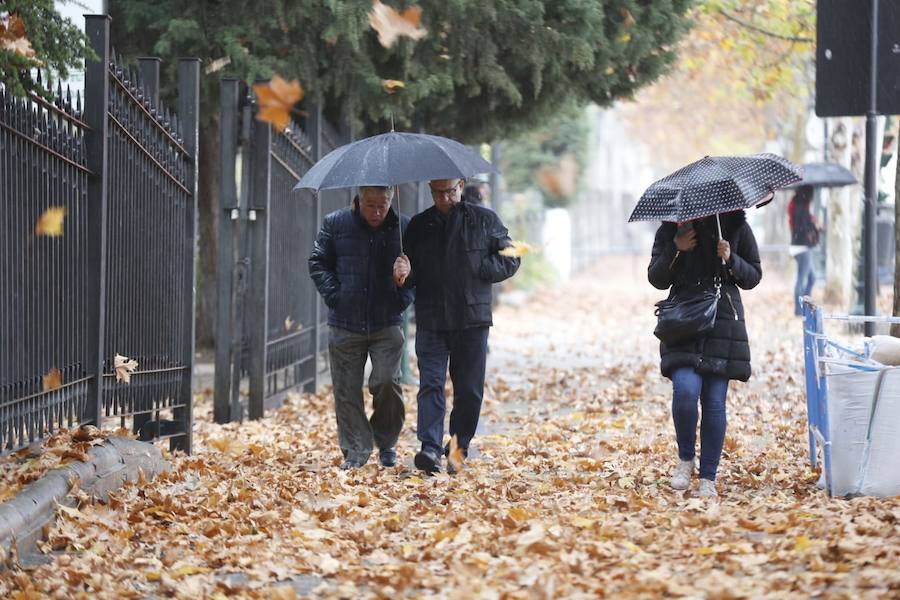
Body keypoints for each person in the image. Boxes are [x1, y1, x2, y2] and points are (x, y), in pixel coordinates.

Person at [392, 178, 520, 474]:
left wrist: (480, 269)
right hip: (432, 317)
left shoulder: (484, 220)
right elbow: (409, 275)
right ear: (430, 190)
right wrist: (403, 274)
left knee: (469, 389)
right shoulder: (419, 226)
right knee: (431, 384)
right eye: (438, 192)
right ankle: (429, 447)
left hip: (471, 319)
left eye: (450, 191)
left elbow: (511, 259)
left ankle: (459, 447)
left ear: (461, 186)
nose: (445, 198)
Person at [647, 211, 762, 497]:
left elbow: (753, 276)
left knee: (714, 402)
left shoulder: (736, 226)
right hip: (684, 321)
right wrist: (677, 247)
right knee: (685, 390)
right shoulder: (672, 229)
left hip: (722, 322)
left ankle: (708, 477)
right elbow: (656, 278)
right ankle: (686, 458)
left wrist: (731, 258)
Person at [308, 186, 414, 470]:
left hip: (386, 321)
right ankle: (356, 449)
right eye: (371, 205)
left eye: (383, 205)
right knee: (346, 390)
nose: (378, 212)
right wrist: (336, 296)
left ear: (392, 198)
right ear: (358, 199)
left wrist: (404, 284)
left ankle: (387, 441)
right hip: (346, 322)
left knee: (387, 382)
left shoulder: (404, 228)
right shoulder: (335, 223)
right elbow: (318, 262)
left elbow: (419, 275)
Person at [788, 185, 819, 316]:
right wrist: (814, 226)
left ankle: (806, 306)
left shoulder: (797, 204)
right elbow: (803, 227)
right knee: (801, 279)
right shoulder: (800, 207)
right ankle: (799, 310)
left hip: (799, 246)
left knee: (811, 277)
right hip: (801, 247)